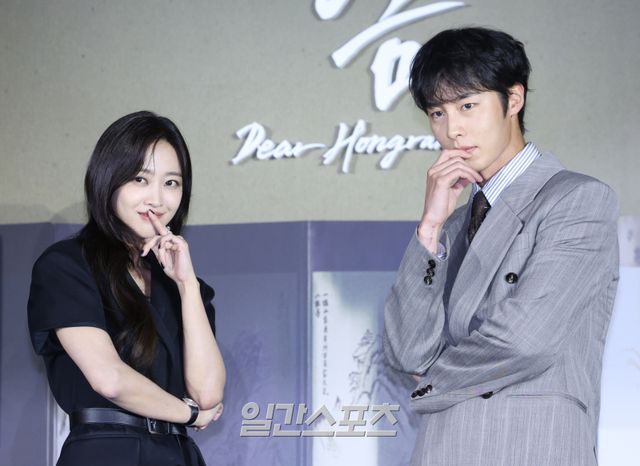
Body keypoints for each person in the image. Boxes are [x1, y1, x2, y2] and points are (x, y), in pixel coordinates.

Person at [383, 27, 619, 465]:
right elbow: (406, 352)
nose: (452, 130)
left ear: (514, 99)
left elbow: (525, 341)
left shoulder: (577, 199)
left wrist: (432, 382)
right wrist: (430, 228)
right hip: (441, 450)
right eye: (437, 113)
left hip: (528, 447)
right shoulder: (453, 224)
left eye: (467, 106)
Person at [28, 111, 226, 466]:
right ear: (109, 180)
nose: (158, 200)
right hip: (107, 452)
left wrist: (187, 285)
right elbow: (109, 379)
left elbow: (208, 393)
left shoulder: (183, 286)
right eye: (140, 179)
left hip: (178, 455)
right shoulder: (67, 265)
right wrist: (189, 415)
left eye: (171, 183)